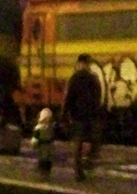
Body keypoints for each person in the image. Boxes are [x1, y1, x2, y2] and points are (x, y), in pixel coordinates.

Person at [61, 53, 103, 181]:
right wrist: (96, 110)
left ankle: (79, 171)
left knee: (78, 143)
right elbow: (98, 96)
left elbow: (68, 98)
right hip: (90, 114)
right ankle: (88, 164)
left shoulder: (74, 78)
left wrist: (64, 114)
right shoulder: (92, 78)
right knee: (94, 141)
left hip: (78, 114)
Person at [31, 108, 56, 176]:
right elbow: (52, 137)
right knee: (48, 159)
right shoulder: (51, 128)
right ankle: (47, 171)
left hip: (41, 146)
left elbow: (35, 138)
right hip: (49, 147)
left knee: (42, 158)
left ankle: (41, 171)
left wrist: (34, 145)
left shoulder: (38, 128)